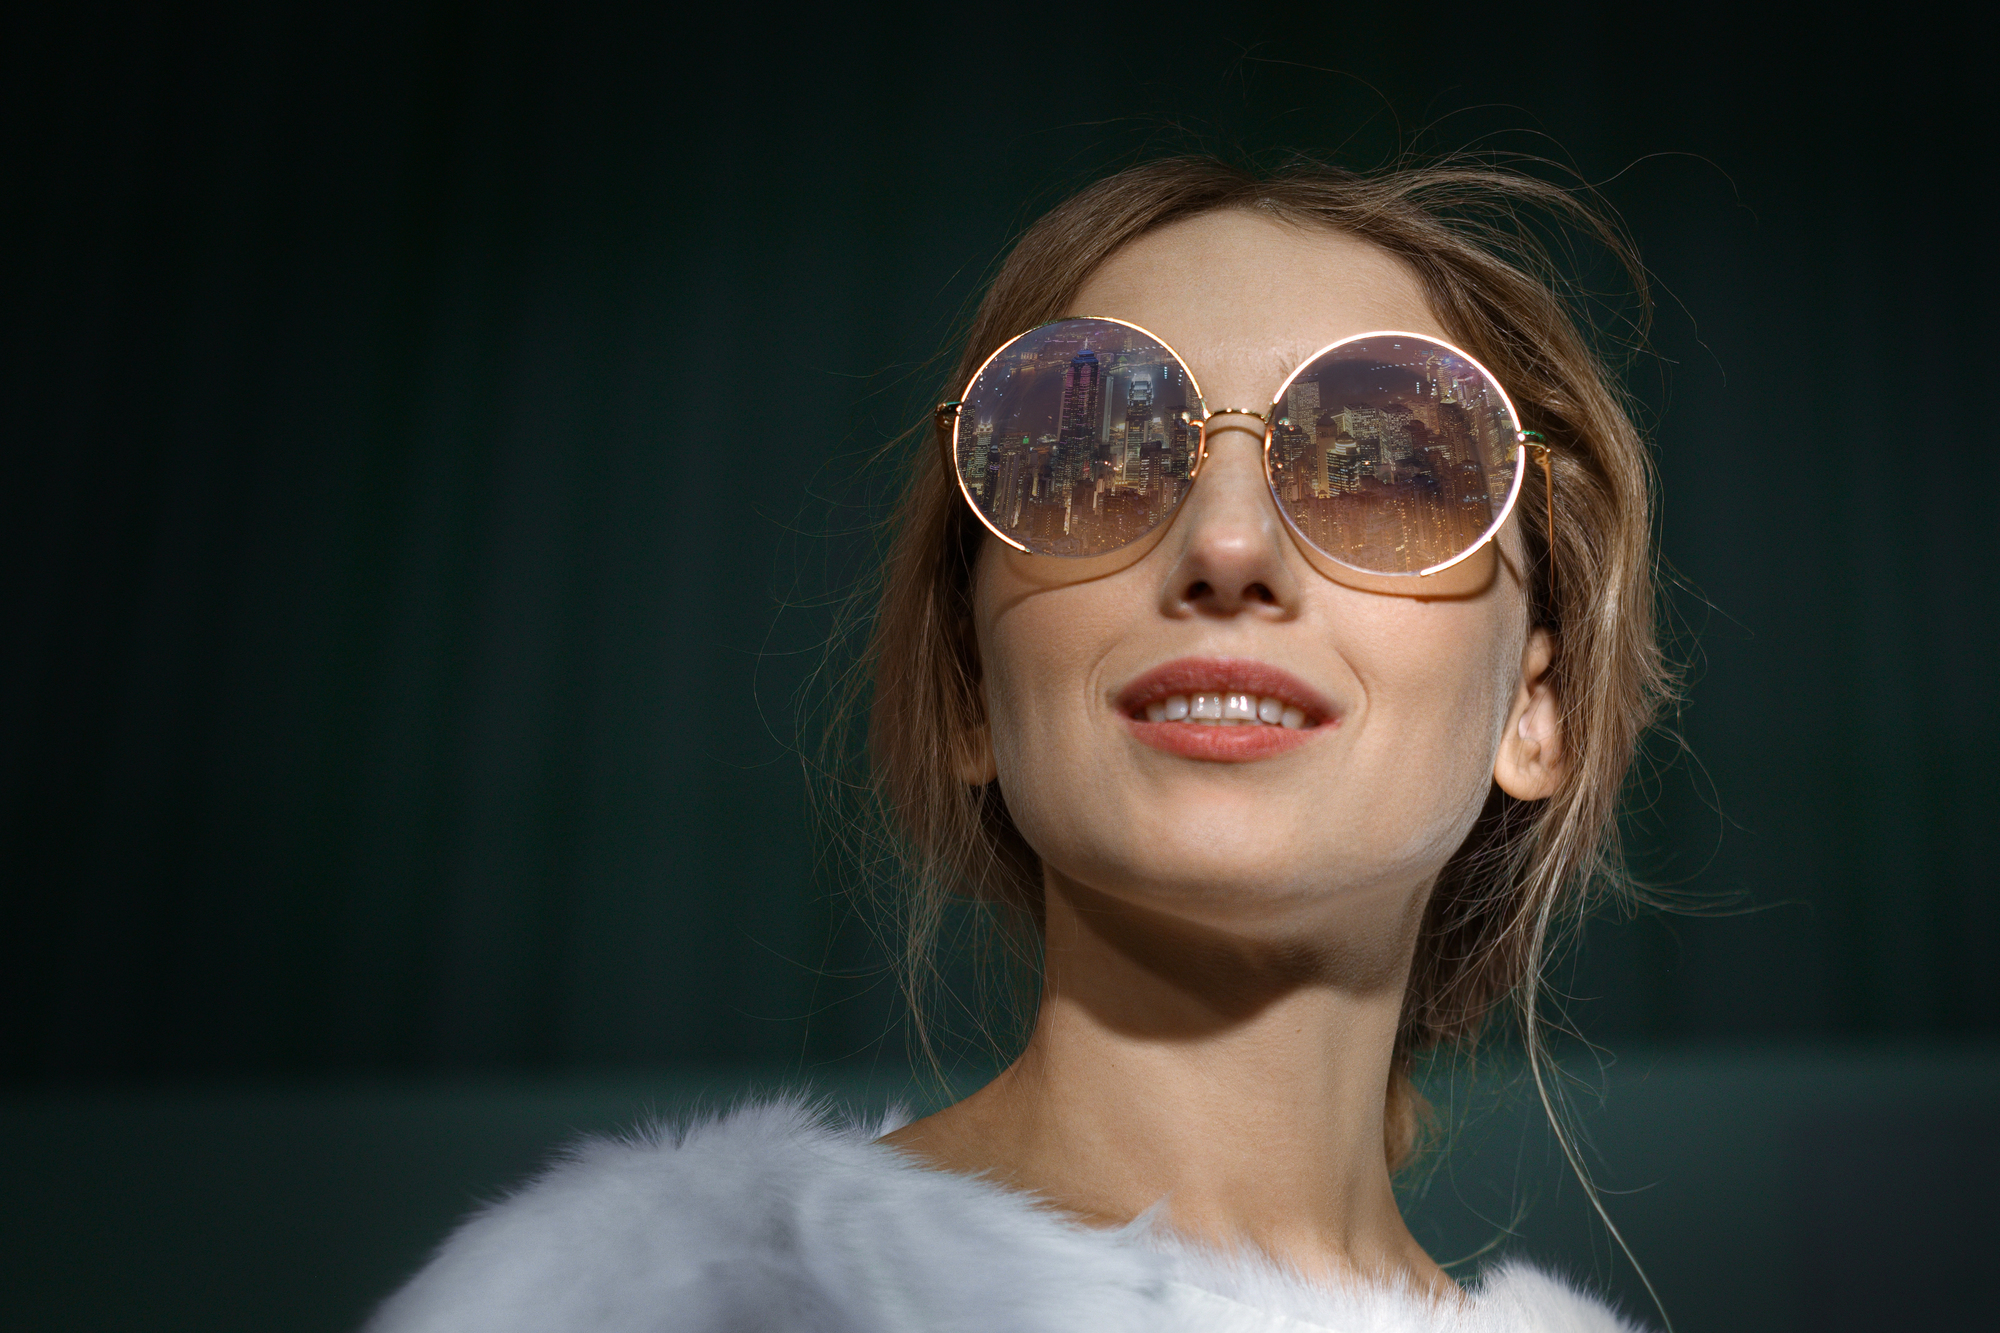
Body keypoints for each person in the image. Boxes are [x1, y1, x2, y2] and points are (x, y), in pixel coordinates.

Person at [366, 154, 1670, 1332]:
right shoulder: (662, 1297)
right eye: (1087, 451)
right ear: (968, 684)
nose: (1226, 550)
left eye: (1390, 463)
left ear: (1534, 708)